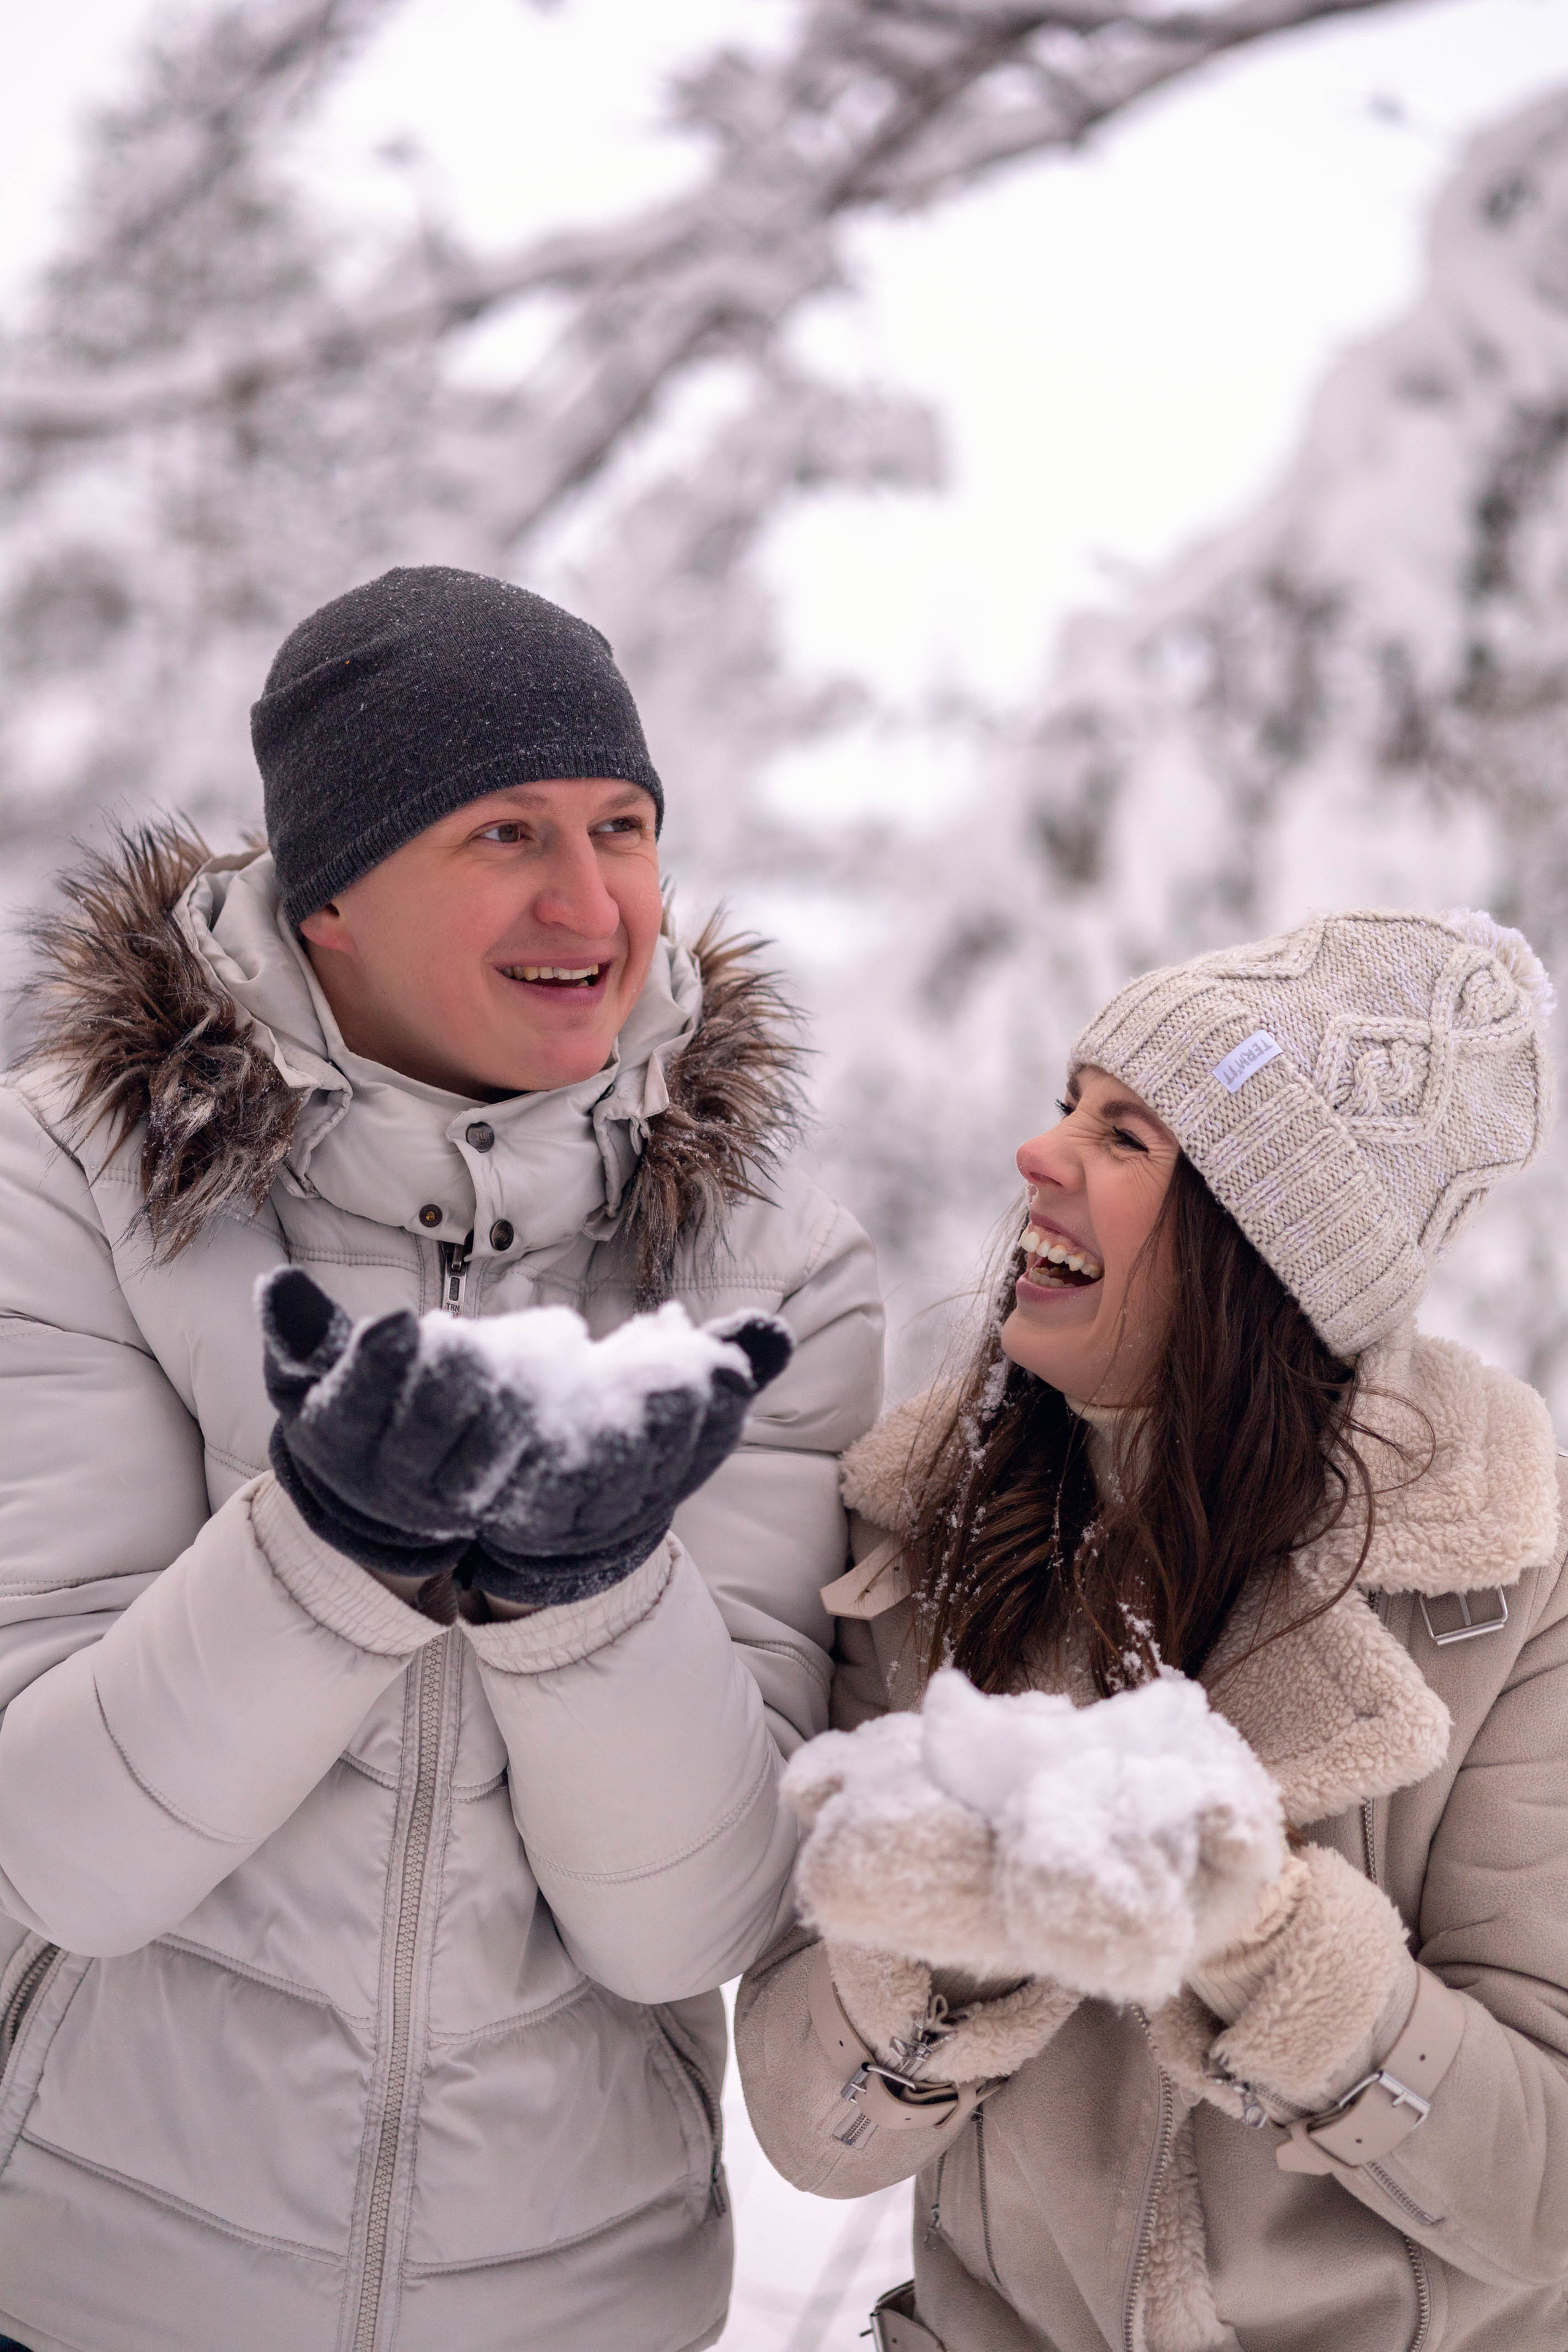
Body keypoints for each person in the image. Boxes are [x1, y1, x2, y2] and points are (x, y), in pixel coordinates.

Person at [0, 565, 883, 2352]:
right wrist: (328, 1555)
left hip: (574, 2309)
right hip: (100, 2286)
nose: (593, 900)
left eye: (624, 826)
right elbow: (58, 1857)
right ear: (325, 893)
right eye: (506, 832)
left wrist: (587, 1595)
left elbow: (692, 1925)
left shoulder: (769, 1266)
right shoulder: (76, 1186)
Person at [738, 908, 1568, 2352]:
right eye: (1069, 1106)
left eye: (1124, 1139)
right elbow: (808, 2133)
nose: (1036, 1157)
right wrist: (950, 1953)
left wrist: (1272, 1947)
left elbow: (1547, 2184)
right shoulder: (922, 1539)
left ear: (1263, 1248)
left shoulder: (1505, 1592)